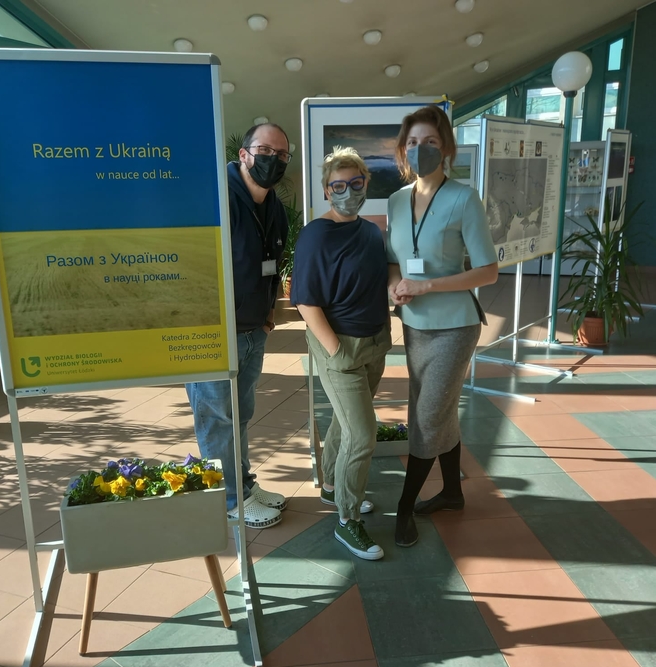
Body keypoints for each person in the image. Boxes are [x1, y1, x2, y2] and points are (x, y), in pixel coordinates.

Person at [386, 106, 499, 547]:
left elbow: (488, 271)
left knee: (427, 415)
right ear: (402, 149)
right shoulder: (396, 201)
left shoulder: (463, 199)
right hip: (414, 324)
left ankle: (403, 509)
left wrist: (429, 283)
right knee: (441, 410)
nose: (420, 150)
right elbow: (394, 260)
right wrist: (397, 286)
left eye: (430, 142)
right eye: (413, 143)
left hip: (455, 326)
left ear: (446, 148)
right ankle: (452, 493)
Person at [185, 123, 291, 529]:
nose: (273, 160)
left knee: (240, 415)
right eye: (265, 150)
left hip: (251, 332)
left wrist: (268, 315)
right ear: (245, 153)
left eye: (281, 155)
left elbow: (273, 264)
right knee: (216, 418)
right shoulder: (216, 197)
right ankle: (229, 499)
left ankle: (243, 484)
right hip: (212, 336)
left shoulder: (273, 206)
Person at [291, 147, 392, 560]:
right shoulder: (316, 234)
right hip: (341, 348)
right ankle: (348, 520)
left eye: (355, 184)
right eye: (338, 186)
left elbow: (384, 271)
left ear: (366, 184)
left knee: (346, 422)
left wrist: (396, 287)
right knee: (362, 435)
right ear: (325, 189)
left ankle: (332, 486)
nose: (347, 192)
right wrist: (334, 350)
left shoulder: (370, 232)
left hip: (374, 343)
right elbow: (306, 301)